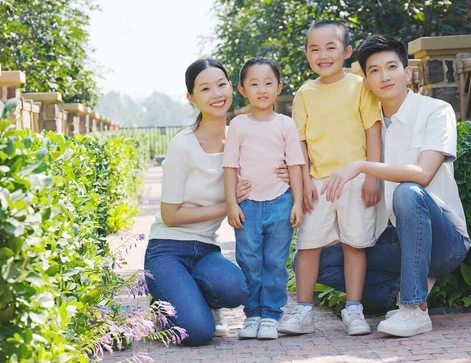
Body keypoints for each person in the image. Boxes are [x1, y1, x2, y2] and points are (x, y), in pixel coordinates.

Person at [317, 35, 471, 337]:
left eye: (391, 67)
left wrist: (362, 166)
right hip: (392, 238)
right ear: (365, 81)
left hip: (444, 241)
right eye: (374, 70)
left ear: (407, 72)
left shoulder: (436, 111)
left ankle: (414, 309)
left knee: (408, 191)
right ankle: (405, 289)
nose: (384, 76)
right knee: (317, 263)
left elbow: (424, 174)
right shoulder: (364, 125)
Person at [144, 59, 287, 346]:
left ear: (232, 88)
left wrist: (286, 173)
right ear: (191, 98)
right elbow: (170, 215)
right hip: (168, 248)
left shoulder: (243, 134)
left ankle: (192, 297)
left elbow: (274, 162)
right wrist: (228, 206)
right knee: (197, 332)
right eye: (205, 88)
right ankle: (163, 302)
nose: (216, 94)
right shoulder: (183, 144)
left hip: (206, 249)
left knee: (237, 289)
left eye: (221, 84)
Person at [278, 20, 382, 337]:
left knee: (354, 244)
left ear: (347, 52)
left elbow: (373, 131)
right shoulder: (305, 95)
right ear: (307, 55)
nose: (323, 55)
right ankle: (303, 312)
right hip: (318, 182)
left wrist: (372, 175)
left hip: (355, 178)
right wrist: (305, 180)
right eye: (315, 49)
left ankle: (353, 309)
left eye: (330, 48)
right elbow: (301, 143)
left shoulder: (360, 86)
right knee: (308, 246)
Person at [222, 57, 305, 340]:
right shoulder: (238, 125)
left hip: (281, 200)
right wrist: (232, 203)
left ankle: (270, 315)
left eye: (268, 83)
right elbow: (230, 166)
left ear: (279, 87)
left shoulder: (286, 124)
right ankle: (252, 315)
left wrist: (298, 202)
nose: (262, 89)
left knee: (274, 260)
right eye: (254, 84)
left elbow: (295, 164)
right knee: (249, 259)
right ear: (242, 89)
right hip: (248, 205)